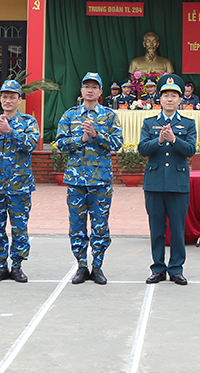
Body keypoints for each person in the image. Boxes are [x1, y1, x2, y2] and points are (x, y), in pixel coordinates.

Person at [55, 72, 123, 285]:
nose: (90, 90)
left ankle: (98, 266)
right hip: (76, 181)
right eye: (87, 86)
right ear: (81, 90)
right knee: (76, 225)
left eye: (95, 86)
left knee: (100, 225)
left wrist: (96, 136)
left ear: (100, 92)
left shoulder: (110, 116)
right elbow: (60, 144)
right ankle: (82, 265)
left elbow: (117, 143)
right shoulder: (69, 115)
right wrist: (81, 138)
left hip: (100, 181)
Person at [0, 80, 40, 283]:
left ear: (19, 99)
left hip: (19, 185)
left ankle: (18, 265)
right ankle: (1, 266)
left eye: (12, 97)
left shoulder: (29, 122)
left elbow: (30, 145)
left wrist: (10, 131)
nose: (8, 100)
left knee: (19, 226)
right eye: (4, 97)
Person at [138, 75, 197, 285]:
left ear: (180, 100)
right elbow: (142, 149)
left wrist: (174, 140)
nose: (169, 99)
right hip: (154, 183)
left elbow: (191, 150)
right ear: (159, 99)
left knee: (178, 230)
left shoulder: (188, 124)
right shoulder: (149, 122)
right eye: (165, 95)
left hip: (178, 183)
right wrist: (159, 140)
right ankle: (158, 268)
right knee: (157, 229)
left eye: (174, 96)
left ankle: (176, 269)